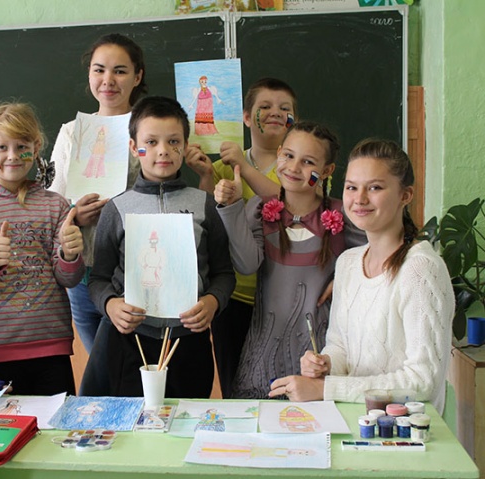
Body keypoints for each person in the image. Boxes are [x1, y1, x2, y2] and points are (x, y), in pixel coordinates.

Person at [270, 139, 455, 414]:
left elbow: (422, 380)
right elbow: (339, 346)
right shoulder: (349, 263)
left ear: (405, 195)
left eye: (375, 187)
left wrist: (325, 389)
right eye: (351, 187)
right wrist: (326, 363)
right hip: (353, 422)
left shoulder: (420, 269)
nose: (360, 199)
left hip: (406, 433)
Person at [88, 96, 235, 399]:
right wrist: (110, 305)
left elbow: (224, 273)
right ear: (134, 147)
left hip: (188, 340)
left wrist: (212, 302)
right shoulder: (117, 208)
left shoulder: (204, 205)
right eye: (151, 142)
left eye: (173, 141)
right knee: (131, 422)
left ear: (186, 145)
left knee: (187, 419)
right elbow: (98, 278)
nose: (163, 150)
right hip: (131, 340)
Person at [215, 121, 365, 399]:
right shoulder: (259, 209)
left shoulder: (342, 216)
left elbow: (378, 256)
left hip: (319, 361)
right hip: (261, 362)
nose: (294, 167)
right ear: (279, 153)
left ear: (328, 170)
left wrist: (345, 278)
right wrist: (232, 207)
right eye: (288, 156)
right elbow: (246, 264)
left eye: (308, 162)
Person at [0, 102, 85, 396]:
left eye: (22, 146)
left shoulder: (55, 205)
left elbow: (69, 278)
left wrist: (69, 255)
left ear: (36, 148)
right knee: (7, 424)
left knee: (57, 424)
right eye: (2, 147)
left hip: (51, 345)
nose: (12, 156)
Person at [185, 78, 298, 397]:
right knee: (235, 387)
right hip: (235, 298)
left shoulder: (299, 168)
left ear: (294, 120)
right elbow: (208, 225)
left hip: (285, 299)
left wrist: (244, 168)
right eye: (265, 107)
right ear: (247, 117)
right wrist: (206, 176)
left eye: (284, 108)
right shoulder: (223, 166)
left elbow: (292, 204)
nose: (275, 113)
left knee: (282, 389)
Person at [49, 33, 147, 354]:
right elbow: (52, 203)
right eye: (99, 70)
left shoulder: (150, 129)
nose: (108, 80)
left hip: (131, 272)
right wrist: (75, 215)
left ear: (137, 76)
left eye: (120, 71)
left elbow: (162, 197)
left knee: (130, 365)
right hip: (81, 272)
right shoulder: (71, 131)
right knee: (99, 367)